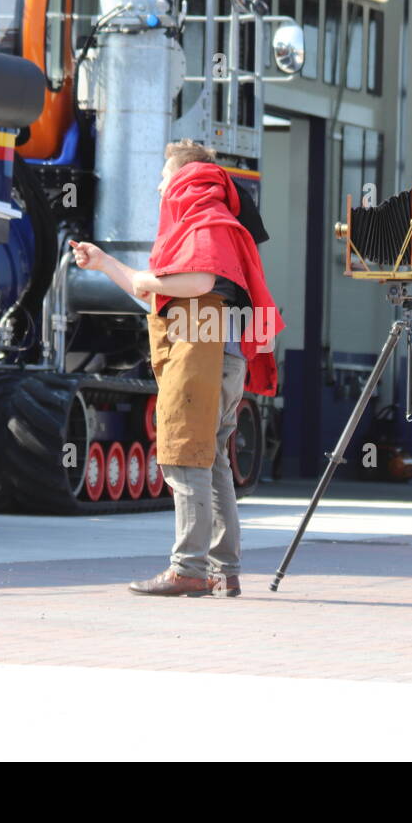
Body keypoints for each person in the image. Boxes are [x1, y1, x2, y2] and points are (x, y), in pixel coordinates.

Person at [69, 139, 283, 597]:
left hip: (201, 353)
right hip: (219, 354)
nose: (161, 188)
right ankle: (223, 570)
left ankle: (188, 568)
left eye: (165, 178)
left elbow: (199, 281)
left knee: (184, 456)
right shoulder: (210, 220)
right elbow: (160, 295)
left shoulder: (205, 216)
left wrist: (148, 279)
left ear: (186, 178)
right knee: (214, 460)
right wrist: (105, 263)